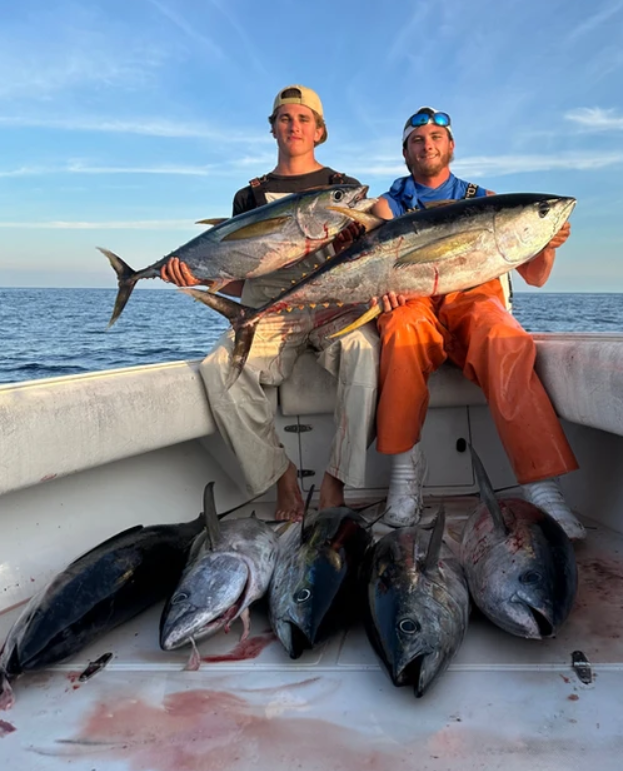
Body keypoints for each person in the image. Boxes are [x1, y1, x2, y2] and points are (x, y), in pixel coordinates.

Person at [161, 85, 379, 521]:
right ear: (273, 129)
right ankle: (281, 476)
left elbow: (366, 258)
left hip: (332, 304)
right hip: (269, 311)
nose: (293, 126)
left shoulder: (346, 190)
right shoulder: (250, 196)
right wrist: (195, 277)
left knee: (364, 353)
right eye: (284, 118)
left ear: (320, 131)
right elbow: (239, 272)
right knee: (218, 369)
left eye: (303, 119)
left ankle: (335, 481)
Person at [370, 106, 586, 540]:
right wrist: (382, 290)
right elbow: (372, 269)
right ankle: (405, 481)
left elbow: (537, 276)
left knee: (504, 336)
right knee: (401, 331)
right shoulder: (386, 206)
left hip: (472, 301)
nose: (427, 144)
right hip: (414, 300)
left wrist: (547, 242)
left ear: (450, 146)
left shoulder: (484, 198)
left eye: (435, 137)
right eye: (417, 140)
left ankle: (542, 488)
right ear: (405, 153)